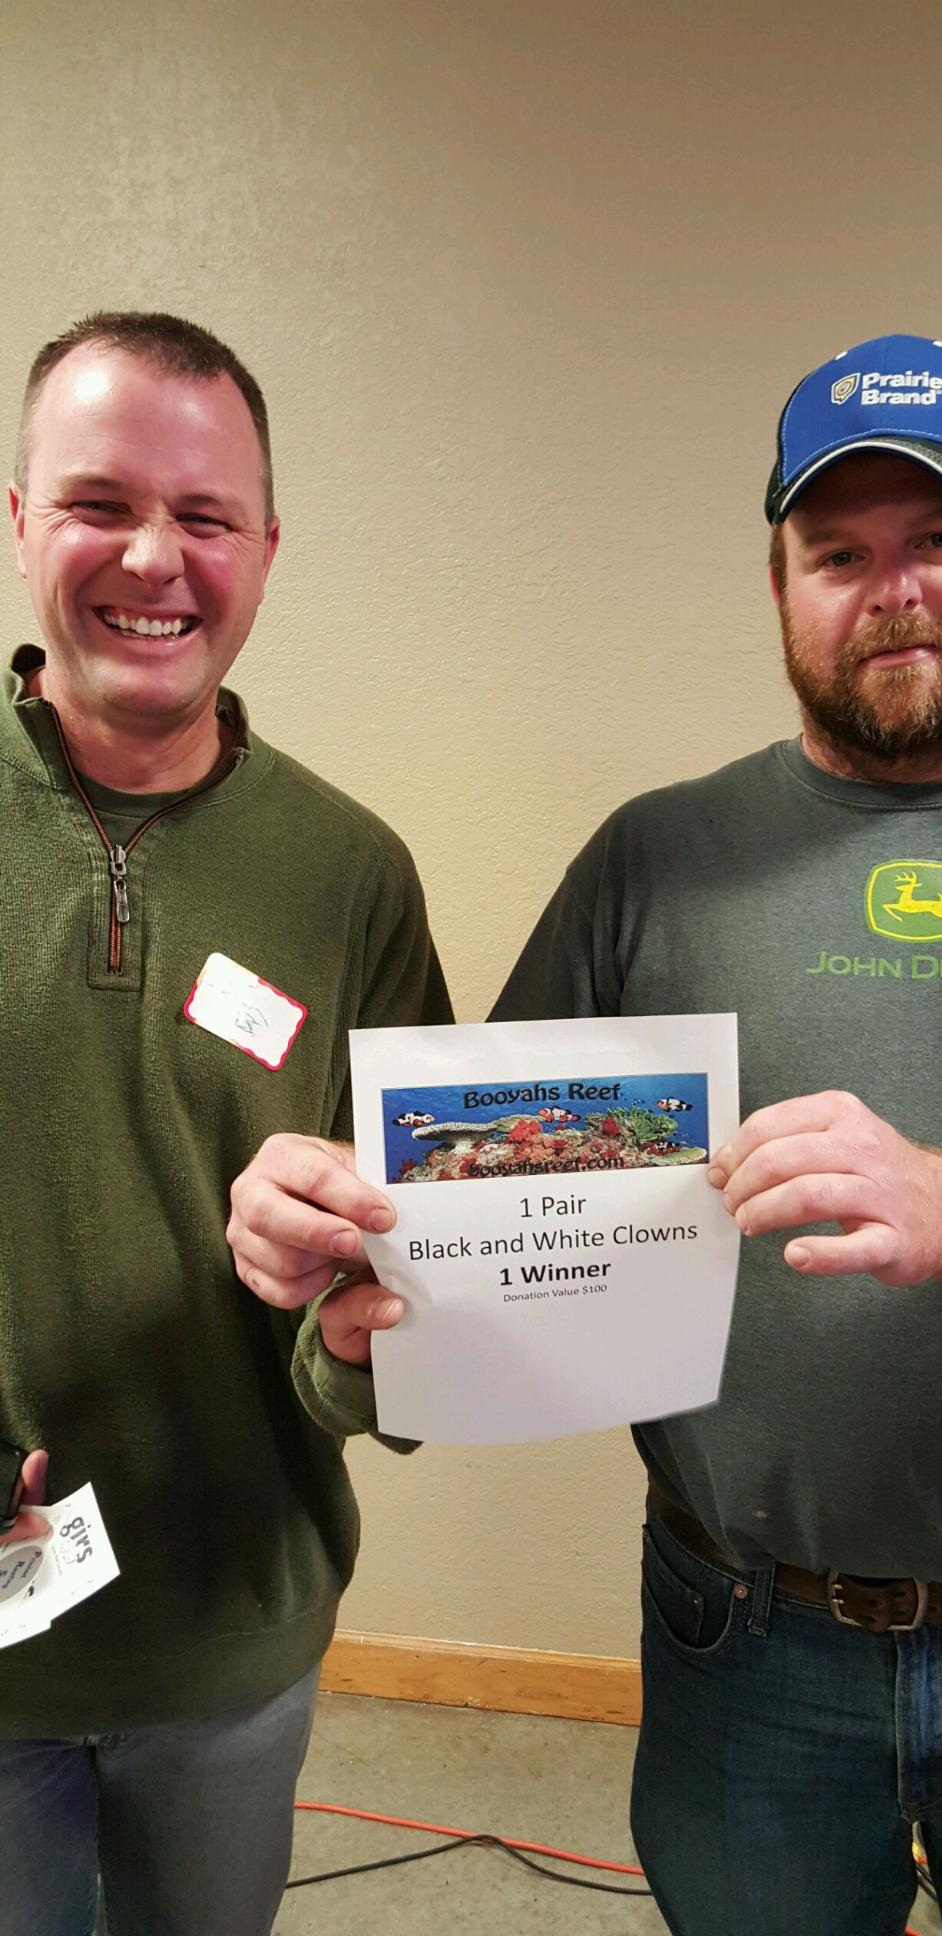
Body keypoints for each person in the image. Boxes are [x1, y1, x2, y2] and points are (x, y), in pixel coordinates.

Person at [229, 332, 942, 1936]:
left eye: (938, 537)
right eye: (838, 554)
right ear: (779, 586)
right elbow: (470, 1215)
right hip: (744, 1644)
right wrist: (359, 1279)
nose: (891, 590)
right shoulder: (654, 863)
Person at [0, 310, 451, 1936]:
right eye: (99, 503)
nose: (153, 558)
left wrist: (357, 1322)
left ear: (266, 548)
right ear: (20, 519)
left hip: (235, 1637)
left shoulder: (350, 874)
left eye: (204, 516)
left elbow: (417, 1315)